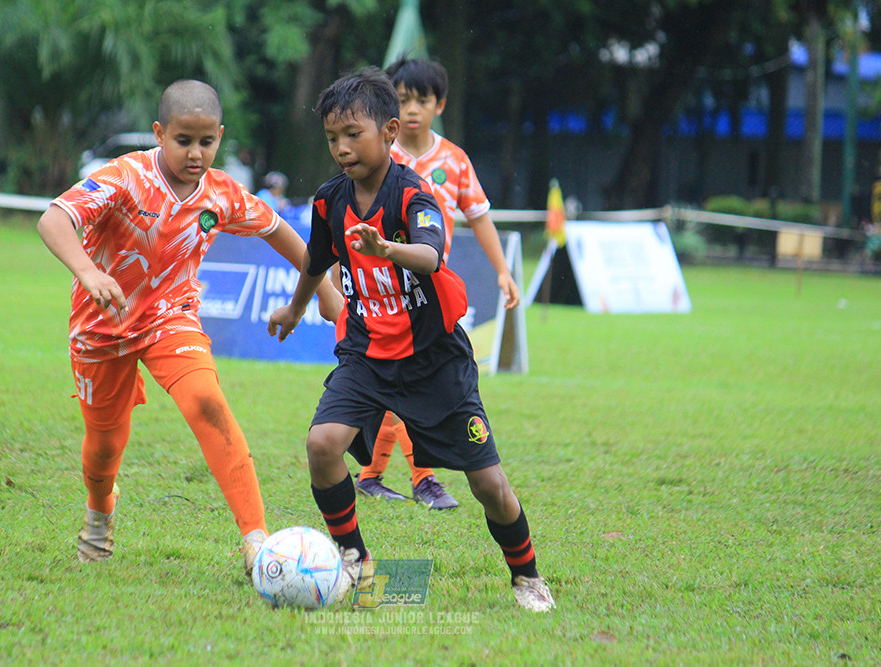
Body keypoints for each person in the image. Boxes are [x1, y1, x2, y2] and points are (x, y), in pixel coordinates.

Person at [267, 67, 554, 611]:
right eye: (333, 138)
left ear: (390, 132)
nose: (342, 148)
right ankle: (355, 560)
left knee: (488, 485)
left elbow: (431, 254)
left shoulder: (414, 193)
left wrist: (387, 249)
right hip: (367, 354)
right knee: (322, 445)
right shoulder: (329, 201)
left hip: (434, 360)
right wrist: (296, 305)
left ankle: (527, 575)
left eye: (354, 134)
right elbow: (316, 258)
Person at [37, 79, 343, 574]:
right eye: (183, 141)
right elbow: (53, 221)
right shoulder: (125, 177)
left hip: (171, 318)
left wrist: (323, 288)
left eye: (207, 142)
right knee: (105, 444)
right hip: (101, 325)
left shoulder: (220, 193)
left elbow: (277, 229)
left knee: (207, 401)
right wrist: (90, 273)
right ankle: (100, 512)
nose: (196, 153)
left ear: (220, 136)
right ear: (159, 134)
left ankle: (256, 541)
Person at [353, 57, 522, 510]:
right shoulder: (379, 157)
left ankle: (373, 475)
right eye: (402, 99)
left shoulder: (455, 160)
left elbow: (480, 216)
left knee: (415, 381)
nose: (411, 109)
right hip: (385, 290)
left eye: (421, 100)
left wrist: (503, 271)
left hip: (432, 292)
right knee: (405, 380)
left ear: (439, 104)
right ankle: (423, 479)